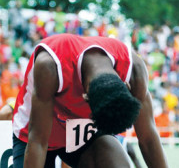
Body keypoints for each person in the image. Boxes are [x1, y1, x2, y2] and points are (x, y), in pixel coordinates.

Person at [12, 34, 168, 168]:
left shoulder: (134, 71)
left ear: (125, 86)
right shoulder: (50, 65)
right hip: (36, 132)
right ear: (85, 97)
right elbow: (38, 141)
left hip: (80, 134)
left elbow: (148, 138)